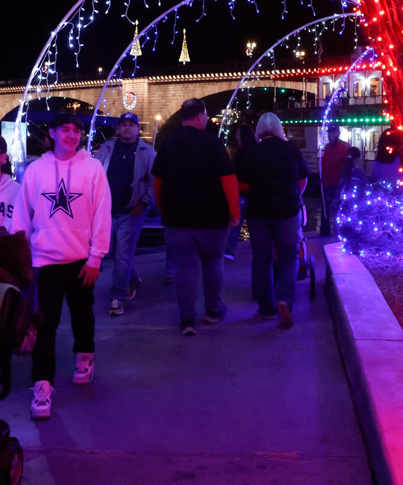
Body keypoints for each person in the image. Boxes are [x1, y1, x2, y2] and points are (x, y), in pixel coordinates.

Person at [13, 113, 111, 420]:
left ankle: (85, 355)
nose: (71, 135)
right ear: (52, 134)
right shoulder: (36, 170)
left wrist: (96, 257)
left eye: (76, 130)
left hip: (82, 259)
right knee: (46, 324)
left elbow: (101, 213)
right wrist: (23, 256)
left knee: (83, 313)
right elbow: (22, 215)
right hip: (45, 260)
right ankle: (42, 384)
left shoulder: (93, 168)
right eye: (64, 130)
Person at [152, 98, 240, 336]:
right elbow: (228, 180)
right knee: (213, 263)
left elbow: (157, 181)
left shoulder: (169, 144)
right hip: (213, 219)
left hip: (178, 219)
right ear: (201, 116)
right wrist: (234, 212)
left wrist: (162, 208)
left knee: (185, 267)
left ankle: (187, 319)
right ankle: (213, 311)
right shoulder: (212, 143)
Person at [236, 113, 308, 327]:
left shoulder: (251, 152)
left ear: (259, 130)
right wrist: (295, 195)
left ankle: (266, 309)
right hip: (287, 211)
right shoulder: (292, 150)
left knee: (261, 259)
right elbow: (303, 179)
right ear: (279, 128)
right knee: (289, 256)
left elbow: (240, 184)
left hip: (258, 212)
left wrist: (256, 193)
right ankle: (284, 299)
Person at [94, 112, 156, 317]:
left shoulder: (147, 152)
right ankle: (132, 279)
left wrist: (144, 202)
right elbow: (95, 173)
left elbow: (153, 181)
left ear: (138, 129)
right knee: (111, 252)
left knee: (122, 254)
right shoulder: (106, 148)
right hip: (106, 211)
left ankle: (118, 297)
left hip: (131, 211)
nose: (127, 128)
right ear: (118, 128)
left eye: (132, 124)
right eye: (124, 124)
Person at [225, 124, 257, 260]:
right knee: (255, 225)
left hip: (243, 192)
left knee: (235, 222)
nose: (236, 136)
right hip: (255, 194)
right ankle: (259, 250)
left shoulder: (241, 152)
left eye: (238, 134)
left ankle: (229, 250)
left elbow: (236, 173)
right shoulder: (256, 150)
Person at [319, 125, 349, 236]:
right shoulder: (327, 147)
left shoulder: (345, 147)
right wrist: (324, 182)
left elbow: (347, 167)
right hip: (327, 184)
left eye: (331, 133)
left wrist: (343, 184)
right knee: (325, 209)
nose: (329, 135)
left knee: (339, 210)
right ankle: (325, 231)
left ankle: (340, 233)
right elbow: (324, 165)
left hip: (339, 185)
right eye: (328, 133)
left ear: (337, 133)